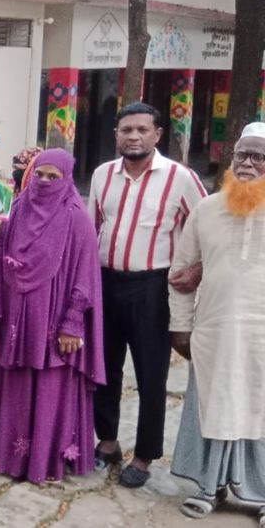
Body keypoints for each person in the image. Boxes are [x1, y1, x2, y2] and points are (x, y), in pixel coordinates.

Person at [88, 102, 207, 488]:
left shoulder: (181, 178)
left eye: (142, 129)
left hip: (152, 289)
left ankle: (143, 456)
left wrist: (197, 269)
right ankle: (107, 442)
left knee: (150, 375)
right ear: (116, 136)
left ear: (157, 135)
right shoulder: (103, 175)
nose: (133, 136)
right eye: (126, 130)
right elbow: (91, 230)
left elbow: (209, 228)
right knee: (103, 368)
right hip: (105, 282)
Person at [0, 149, 105, 484]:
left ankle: (45, 462)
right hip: (19, 319)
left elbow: (85, 275)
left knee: (50, 388)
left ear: (67, 179)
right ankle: (13, 458)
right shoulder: (17, 209)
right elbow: (4, 260)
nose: (44, 182)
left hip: (53, 322)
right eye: (39, 174)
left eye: (53, 176)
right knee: (17, 387)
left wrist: (73, 322)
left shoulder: (76, 218)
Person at [168, 123, 265, 524]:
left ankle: (260, 496)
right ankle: (208, 487)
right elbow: (180, 274)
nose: (247, 163)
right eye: (241, 154)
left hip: (262, 335)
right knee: (212, 406)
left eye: (258, 156)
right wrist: (181, 326)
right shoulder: (207, 209)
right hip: (214, 330)